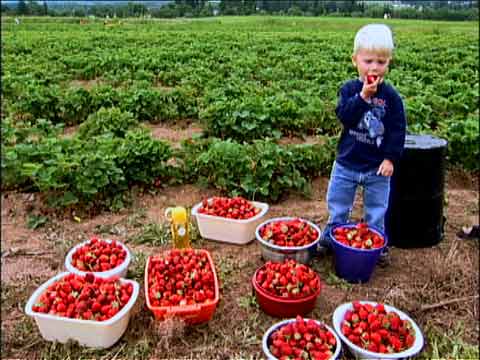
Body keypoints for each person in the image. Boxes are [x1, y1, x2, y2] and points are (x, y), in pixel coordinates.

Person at [320, 24, 406, 266]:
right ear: (355, 60)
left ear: (388, 63)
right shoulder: (349, 90)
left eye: (381, 61)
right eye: (368, 61)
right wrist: (363, 97)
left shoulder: (391, 97)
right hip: (347, 160)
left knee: (377, 208)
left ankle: (377, 243)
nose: (374, 67)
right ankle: (332, 234)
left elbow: (398, 130)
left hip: (376, 166)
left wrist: (390, 158)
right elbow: (345, 116)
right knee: (338, 201)